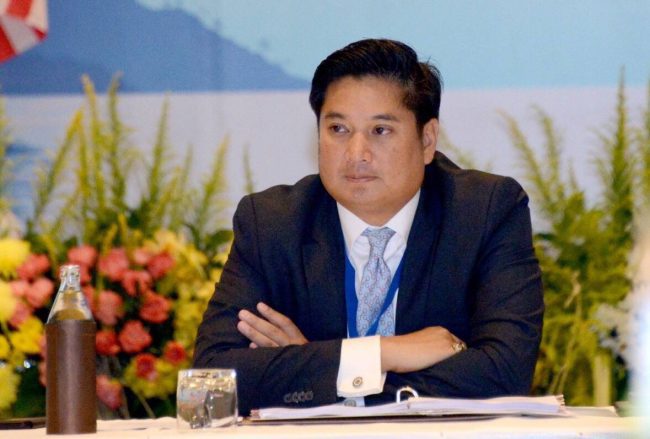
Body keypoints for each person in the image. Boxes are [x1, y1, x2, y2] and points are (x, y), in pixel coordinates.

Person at [193, 39, 544, 415]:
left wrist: (315, 367)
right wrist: (378, 354)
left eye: (380, 130)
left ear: (427, 140)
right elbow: (210, 382)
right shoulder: (272, 223)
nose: (356, 154)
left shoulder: (484, 212)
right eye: (338, 128)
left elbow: (505, 374)